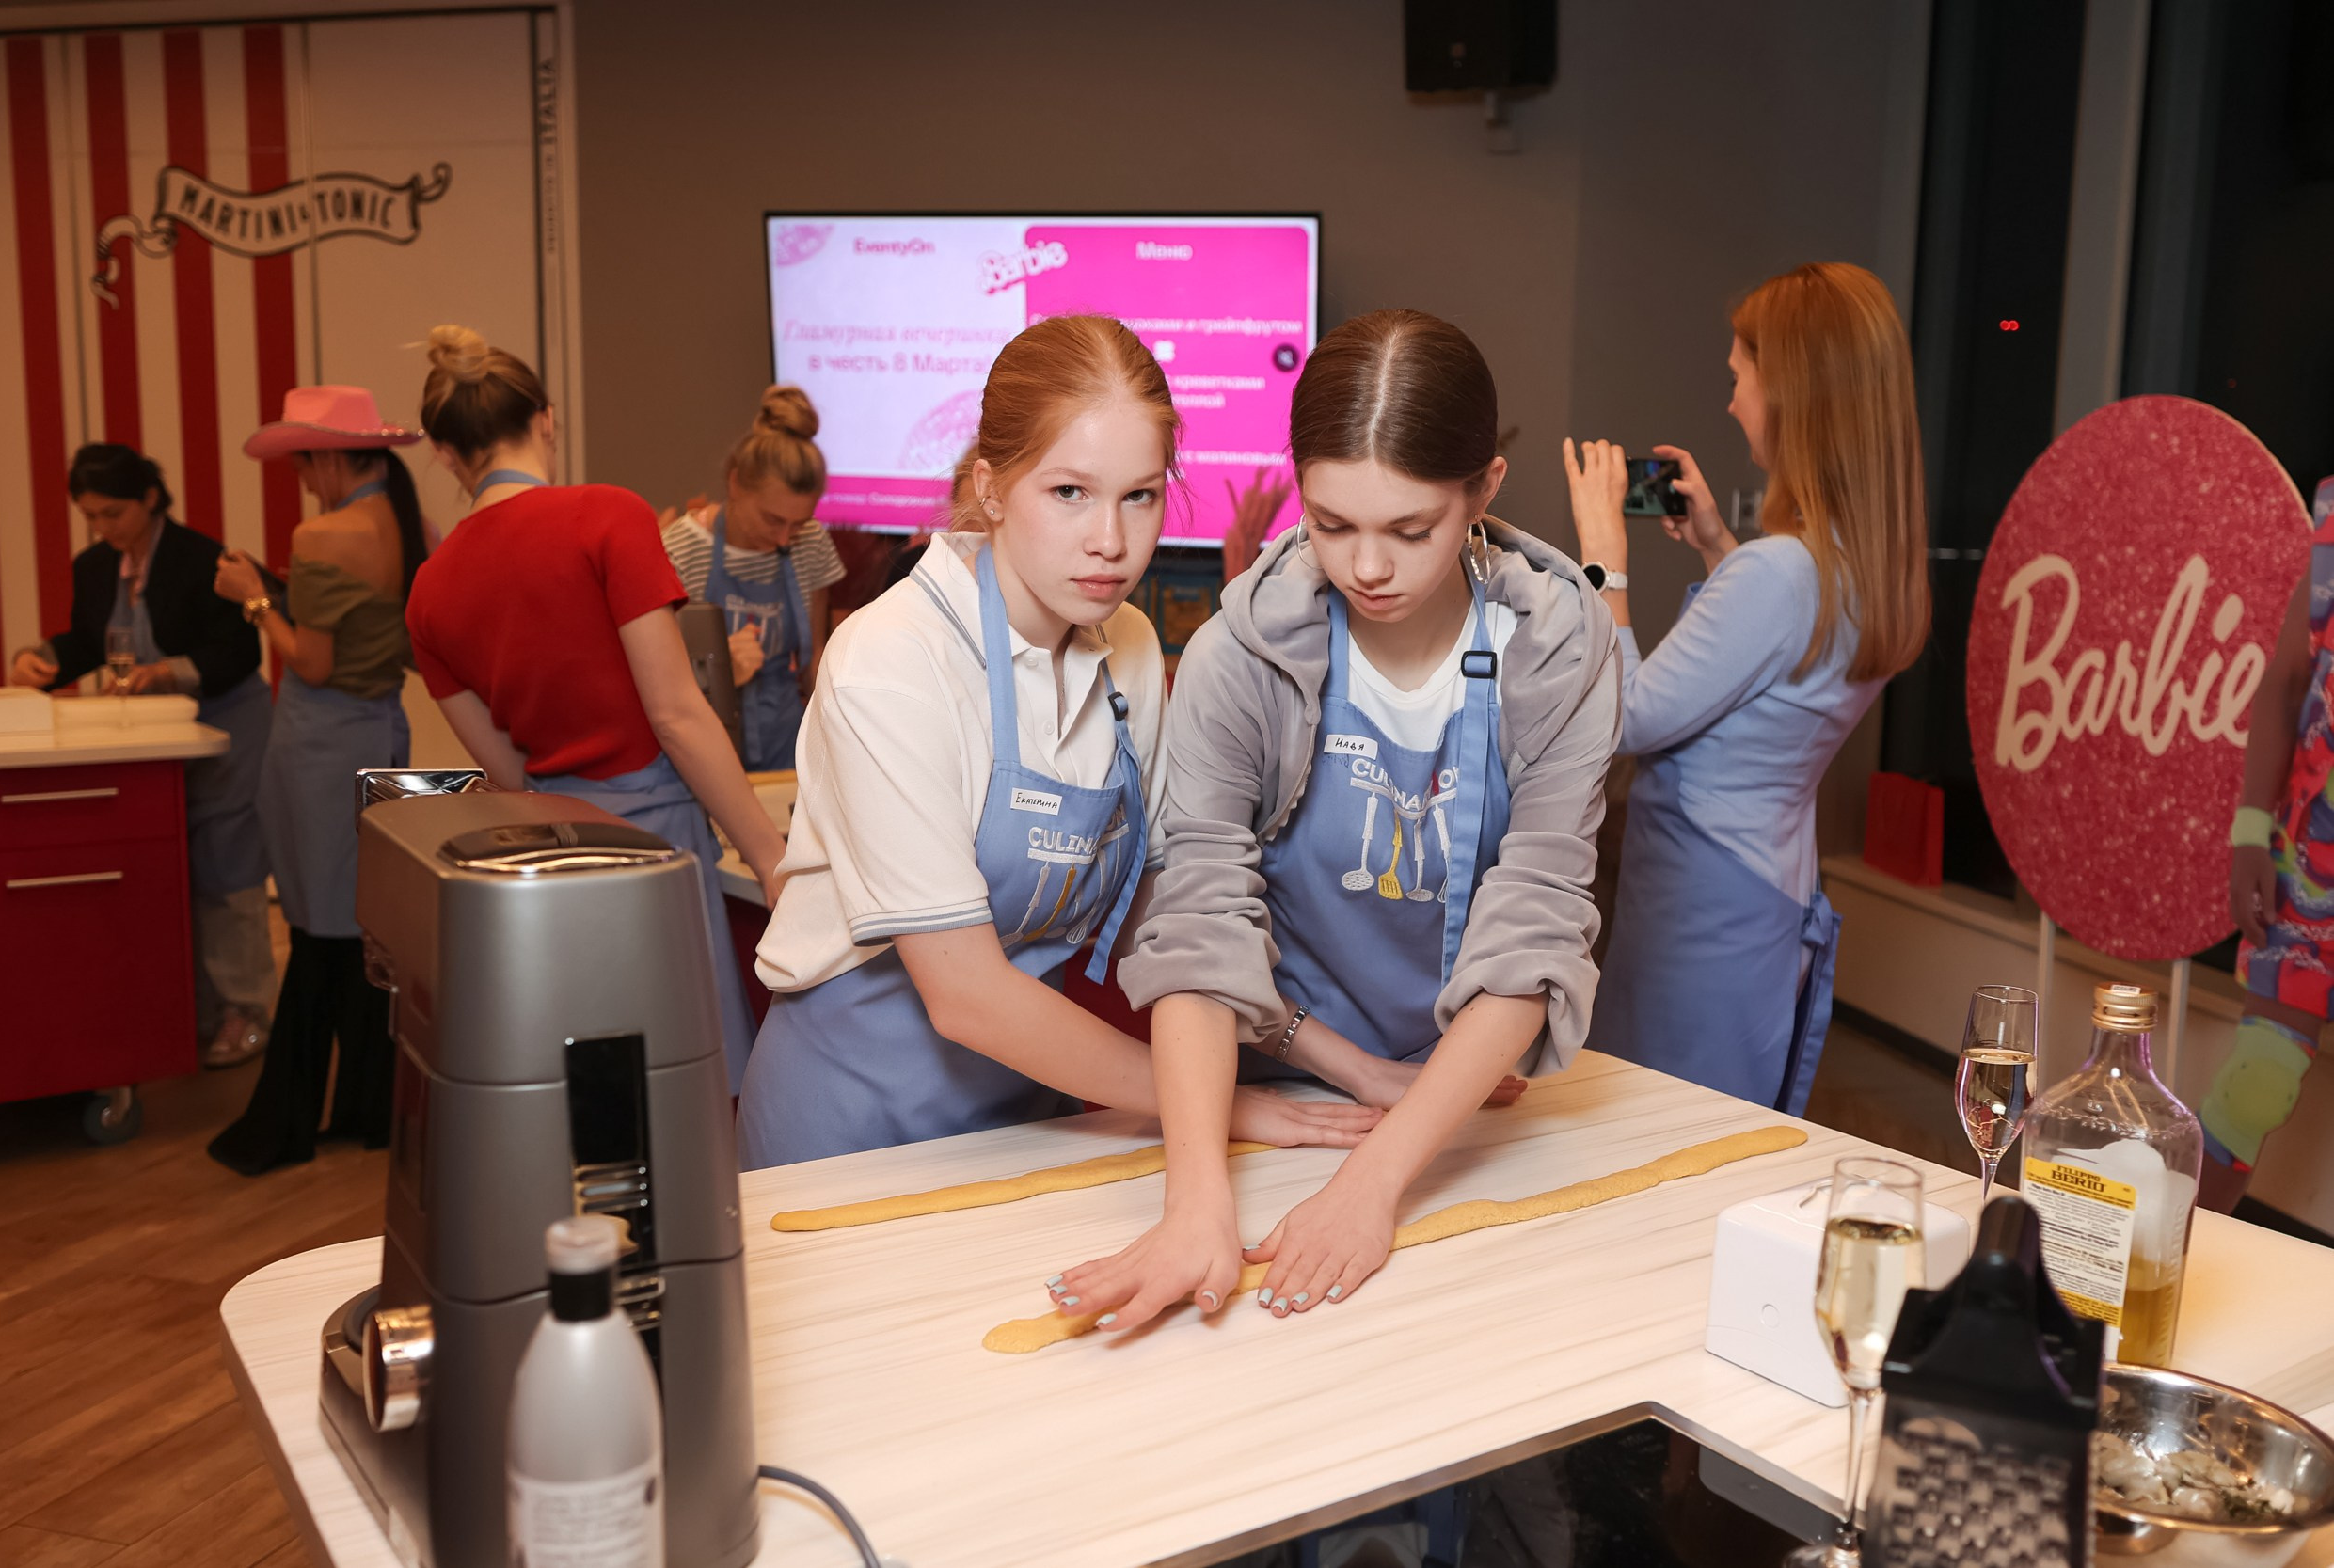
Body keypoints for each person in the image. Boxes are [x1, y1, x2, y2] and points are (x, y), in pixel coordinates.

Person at [1054, 309, 1621, 1333]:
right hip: (1265, 1086)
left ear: (1483, 490)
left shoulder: (1560, 657)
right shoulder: (1241, 658)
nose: (1367, 567)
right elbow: (1198, 924)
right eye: (1329, 523)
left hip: (1471, 1099)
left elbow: (1534, 924)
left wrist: (1378, 1182)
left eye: (1411, 530)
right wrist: (1197, 1200)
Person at [737, 314, 1379, 1169]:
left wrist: (1344, 1062)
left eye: (1139, 495)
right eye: (1069, 492)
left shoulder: (1133, 650)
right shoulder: (892, 659)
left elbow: (1175, 916)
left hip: (1035, 1112)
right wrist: (1220, 1100)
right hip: (853, 1126)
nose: (1110, 541)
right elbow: (965, 993)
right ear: (992, 488)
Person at [1566, 261, 1929, 1114]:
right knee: (1724, 1128)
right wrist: (1718, 548)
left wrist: (1600, 556)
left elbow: (1629, 716)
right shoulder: (1855, 566)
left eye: (1740, 377)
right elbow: (1782, 664)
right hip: (1768, 896)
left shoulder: (1781, 573)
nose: (1732, 401)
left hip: (1702, 912)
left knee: (1658, 1138)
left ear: (1794, 394)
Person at [404, 325, 786, 1092]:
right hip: (659, 858)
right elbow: (677, 715)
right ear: (547, 419)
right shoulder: (608, 517)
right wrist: (774, 860)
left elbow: (510, 772)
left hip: (558, 856)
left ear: (446, 454)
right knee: (687, 1091)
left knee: (599, 1092)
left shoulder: (429, 591)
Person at [206, 386, 431, 1174]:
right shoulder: (409, 525)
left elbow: (312, 660)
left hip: (319, 742)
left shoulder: (325, 533)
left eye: (305, 461)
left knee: (317, 926)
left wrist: (255, 598)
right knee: (353, 923)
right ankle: (367, 1103)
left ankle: (294, 1116)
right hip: (379, 732)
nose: (302, 478)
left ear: (330, 455)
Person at [9, 444, 276, 1068]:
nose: (103, 529)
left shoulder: (202, 557)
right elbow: (86, 640)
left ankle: (245, 1009)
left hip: (227, 723)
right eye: (92, 517)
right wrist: (40, 659)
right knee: (164, 865)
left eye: (114, 514)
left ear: (150, 498)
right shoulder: (94, 566)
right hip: (152, 733)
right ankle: (187, 1008)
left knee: (226, 867)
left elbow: (237, 654)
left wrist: (167, 672)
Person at [2205, 473, 2334, 1212]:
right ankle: (2145, 1281)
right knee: (2255, 1084)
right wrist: (2251, 832)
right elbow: (2286, 681)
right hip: (2313, 863)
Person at [659, 386, 848, 770]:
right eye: (773, 519)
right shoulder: (679, 549)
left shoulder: (810, 544)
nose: (783, 539)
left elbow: (815, 665)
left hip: (786, 742)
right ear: (735, 484)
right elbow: (661, 683)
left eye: (798, 524)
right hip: (703, 751)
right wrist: (720, 670)